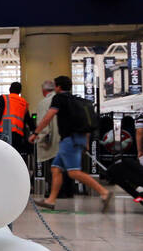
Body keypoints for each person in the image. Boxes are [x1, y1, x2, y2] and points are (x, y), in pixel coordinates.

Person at [31, 75, 111, 211]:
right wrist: (85, 143)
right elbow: (84, 123)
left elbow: (48, 117)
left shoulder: (59, 98)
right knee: (56, 169)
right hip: (74, 139)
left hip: (70, 140)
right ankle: (51, 200)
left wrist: (36, 133)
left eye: (55, 86)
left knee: (73, 172)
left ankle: (104, 192)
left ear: (58, 87)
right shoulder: (74, 100)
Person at [0, 81, 30, 154]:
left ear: (10, 89)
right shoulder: (24, 103)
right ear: (20, 91)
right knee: (15, 154)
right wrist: (35, 132)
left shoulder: (4, 98)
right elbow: (28, 119)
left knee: (4, 154)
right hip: (18, 135)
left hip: (5, 131)